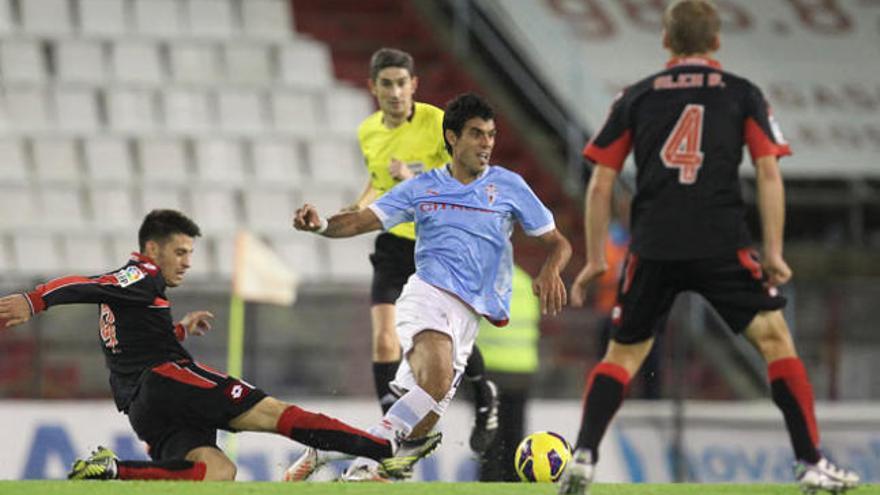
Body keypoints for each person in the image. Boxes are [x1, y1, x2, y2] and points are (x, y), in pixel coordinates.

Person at [558, 2, 860, 494]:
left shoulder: (636, 96)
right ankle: (810, 463)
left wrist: (595, 259)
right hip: (721, 241)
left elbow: (600, 184)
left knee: (624, 354)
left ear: (666, 42)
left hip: (653, 244)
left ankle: (584, 455)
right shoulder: (742, 94)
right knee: (775, 341)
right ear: (717, 41)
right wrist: (776, 251)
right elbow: (767, 172)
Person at [0, 209, 438, 481]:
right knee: (273, 413)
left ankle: (112, 469)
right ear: (152, 248)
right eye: (181, 252)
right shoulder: (138, 274)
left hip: (142, 408)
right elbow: (88, 283)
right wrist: (35, 300)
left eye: (190, 254)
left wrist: (180, 330)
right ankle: (384, 449)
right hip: (168, 381)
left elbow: (130, 347)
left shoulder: (132, 295)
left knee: (217, 472)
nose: (187, 263)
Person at [290, 93, 571, 481]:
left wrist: (552, 269)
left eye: (490, 134)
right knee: (435, 385)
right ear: (452, 138)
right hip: (428, 297)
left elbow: (558, 242)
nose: (487, 143)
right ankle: (363, 469)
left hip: (469, 321)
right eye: (476, 134)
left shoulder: (509, 186)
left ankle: (339, 455)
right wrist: (320, 225)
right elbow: (360, 221)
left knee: (419, 422)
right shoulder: (423, 187)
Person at [343, 47, 499, 452]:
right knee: (383, 339)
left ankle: (483, 396)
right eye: (386, 84)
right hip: (395, 243)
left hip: (439, 247)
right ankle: (389, 429)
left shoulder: (438, 124)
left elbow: (463, 178)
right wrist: (360, 206)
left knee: (447, 339)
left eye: (401, 83)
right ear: (372, 88)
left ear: (414, 85)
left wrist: (412, 177)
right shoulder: (368, 132)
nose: (395, 92)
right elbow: (378, 181)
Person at [474, 264, 540, 481]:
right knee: (516, 438)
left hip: (490, 371)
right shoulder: (525, 281)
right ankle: (515, 483)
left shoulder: (482, 279)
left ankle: (489, 483)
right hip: (521, 372)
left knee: (490, 440)